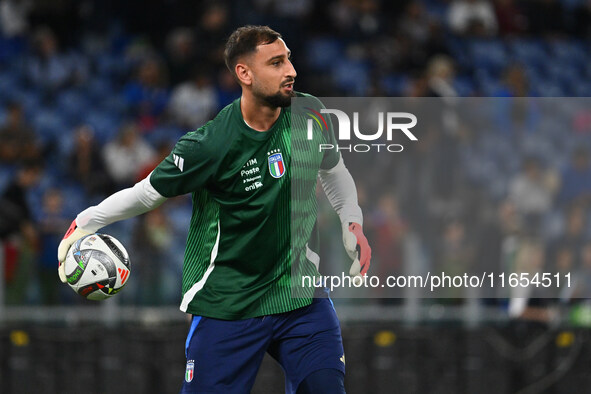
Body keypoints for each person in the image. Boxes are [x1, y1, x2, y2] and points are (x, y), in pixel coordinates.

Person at [57, 25, 371, 393]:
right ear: (244, 74)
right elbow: (146, 194)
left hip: (301, 296)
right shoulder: (211, 144)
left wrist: (353, 221)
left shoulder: (311, 113)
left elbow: (334, 171)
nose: (291, 70)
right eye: (276, 62)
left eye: (289, 59)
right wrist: (83, 222)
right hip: (229, 303)